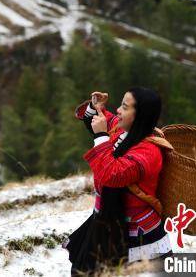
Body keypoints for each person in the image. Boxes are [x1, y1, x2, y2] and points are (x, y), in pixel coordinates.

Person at [64, 88, 173, 275]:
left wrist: (100, 136)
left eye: (124, 106)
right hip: (107, 221)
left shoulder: (148, 152)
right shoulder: (122, 131)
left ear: (140, 115)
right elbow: (99, 121)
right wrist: (95, 107)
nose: (118, 111)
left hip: (136, 235)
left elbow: (112, 175)